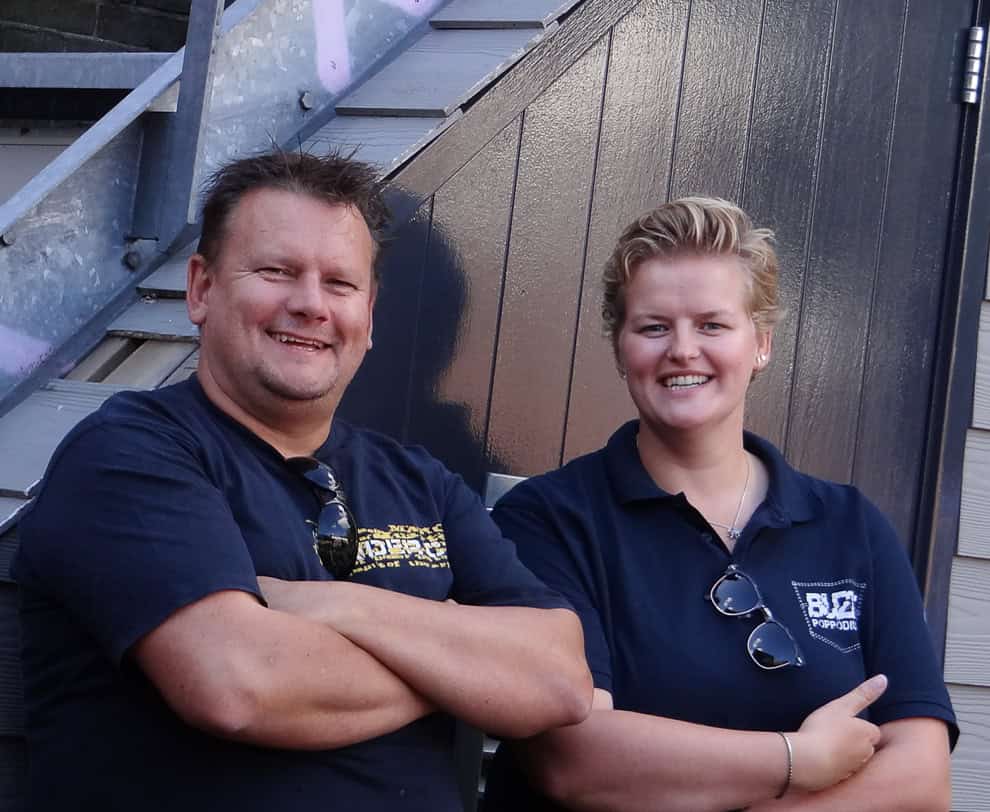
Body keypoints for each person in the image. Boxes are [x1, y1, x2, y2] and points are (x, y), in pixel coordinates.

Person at [12, 150, 595, 811]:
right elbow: (239, 685)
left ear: (369, 316)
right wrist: (468, 665)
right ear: (201, 289)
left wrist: (336, 606)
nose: (311, 304)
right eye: (276, 272)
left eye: (340, 284)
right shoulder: (128, 454)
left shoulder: (422, 482)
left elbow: (562, 680)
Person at [484, 198, 957, 812]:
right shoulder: (548, 521)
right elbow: (574, 760)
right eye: (654, 327)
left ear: (761, 344)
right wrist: (795, 758)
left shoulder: (851, 526)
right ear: (621, 349)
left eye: (712, 325)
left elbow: (922, 775)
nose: (683, 350)